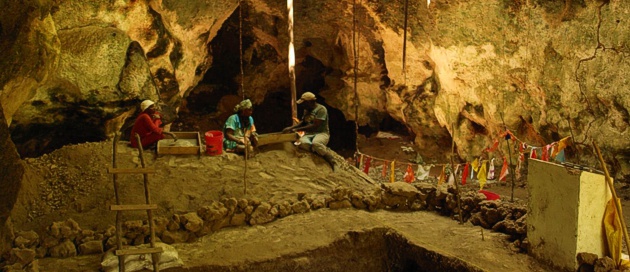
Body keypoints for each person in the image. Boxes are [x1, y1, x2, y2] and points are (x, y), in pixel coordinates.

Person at [282, 92, 338, 171]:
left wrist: (296, 130)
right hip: (309, 134)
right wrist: (291, 128)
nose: (303, 105)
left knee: (316, 143)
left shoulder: (321, 109)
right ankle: (317, 150)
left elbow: (315, 125)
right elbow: (303, 122)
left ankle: (332, 160)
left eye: (304, 103)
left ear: (310, 102)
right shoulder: (307, 110)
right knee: (302, 144)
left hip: (321, 133)